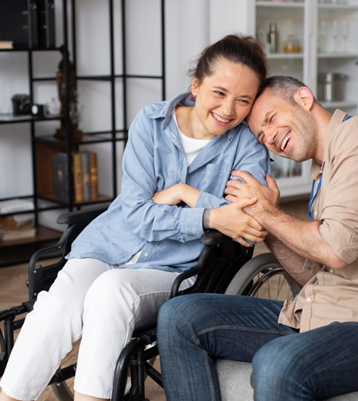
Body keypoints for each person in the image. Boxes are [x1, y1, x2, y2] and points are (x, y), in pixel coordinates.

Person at [0, 35, 271, 401]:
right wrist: (212, 214)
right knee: (56, 306)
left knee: (111, 292)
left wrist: (183, 194)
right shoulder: (151, 121)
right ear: (196, 85)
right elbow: (138, 215)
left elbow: (246, 223)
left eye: (244, 100)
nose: (229, 109)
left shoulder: (247, 145)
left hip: (173, 268)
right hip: (107, 245)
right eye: (219, 93)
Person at [157, 75, 358, 401]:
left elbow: (336, 249)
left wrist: (268, 212)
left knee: (276, 362)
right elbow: (312, 274)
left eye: (271, 119)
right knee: (179, 316)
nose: (270, 137)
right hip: (318, 312)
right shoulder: (322, 170)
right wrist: (267, 225)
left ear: (304, 98)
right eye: (261, 135)